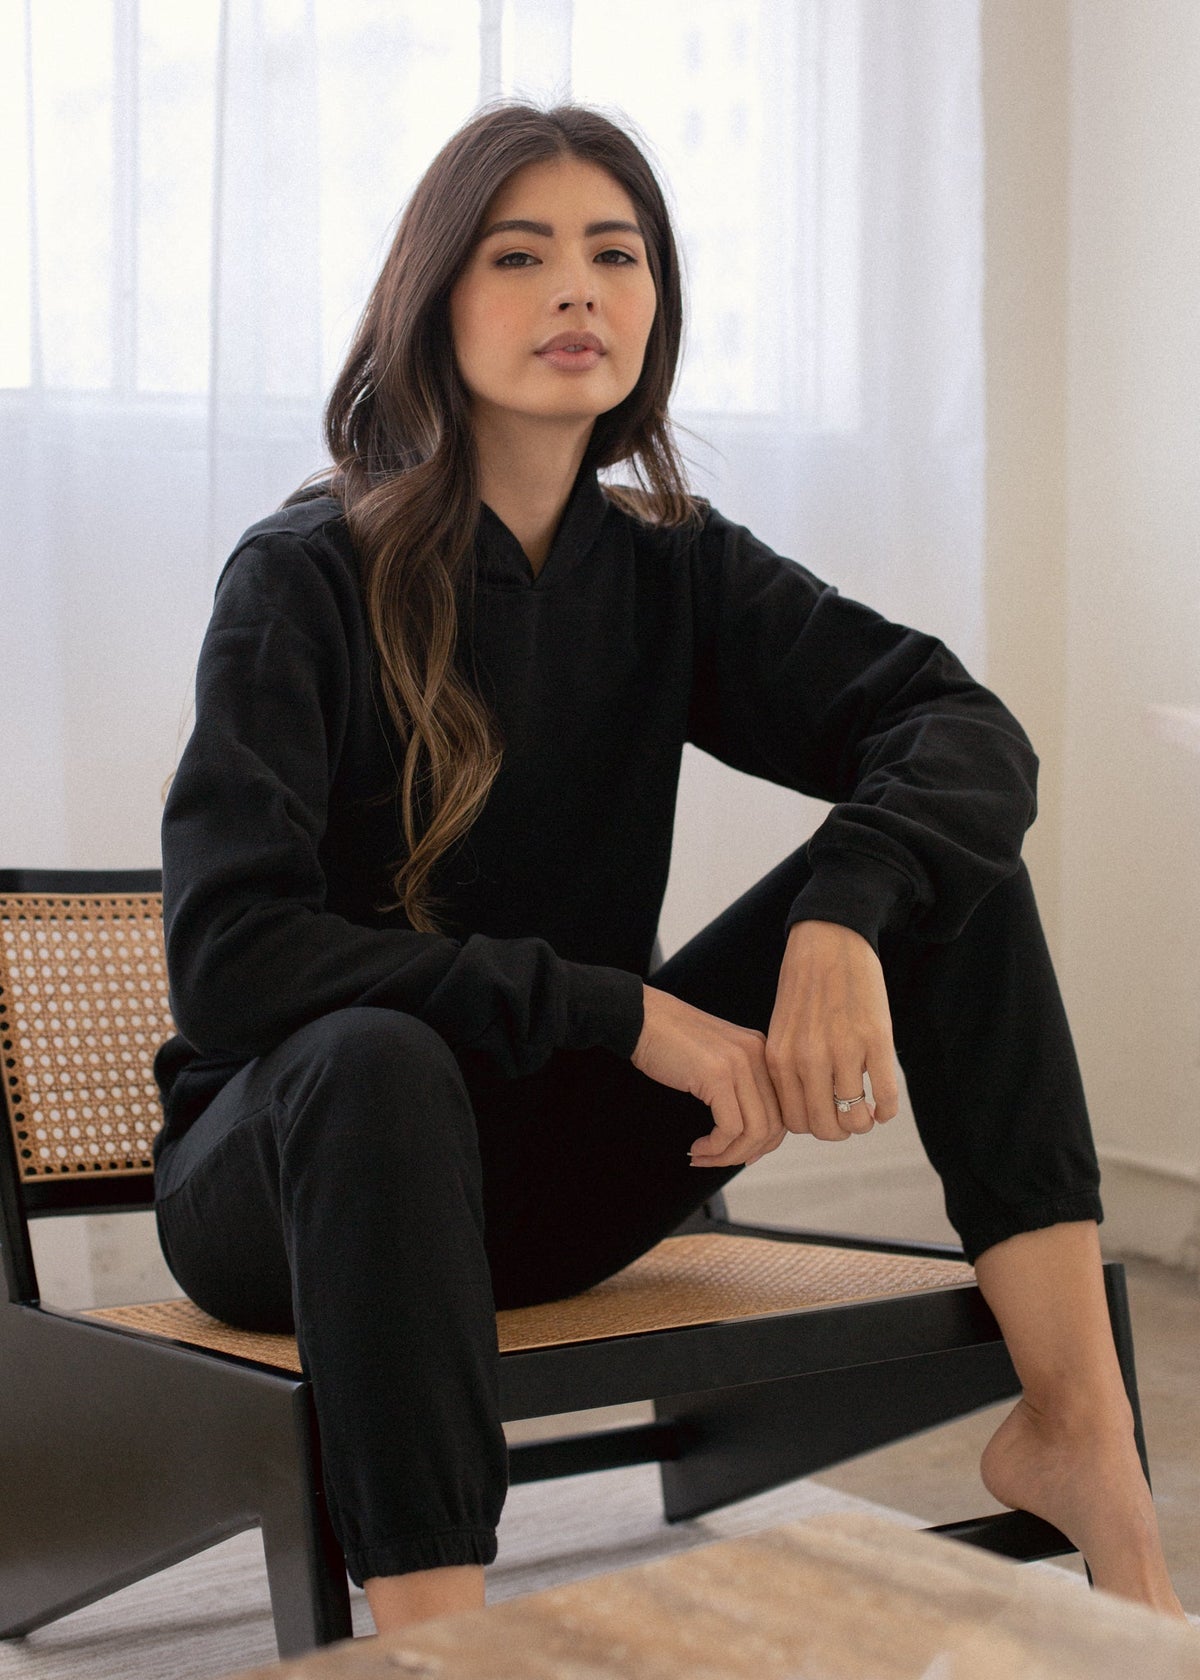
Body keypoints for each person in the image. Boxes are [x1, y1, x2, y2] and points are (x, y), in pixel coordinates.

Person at [151, 99, 1186, 1632]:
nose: (579, 289)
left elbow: (962, 727)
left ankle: (1082, 1447)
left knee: (948, 870)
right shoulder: (306, 576)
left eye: (614, 253)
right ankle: (445, 1643)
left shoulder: (675, 571)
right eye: (521, 254)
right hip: (303, 1189)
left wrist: (843, 911)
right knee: (375, 1059)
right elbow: (237, 960)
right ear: (432, 303)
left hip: (554, 1183)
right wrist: (621, 1011)